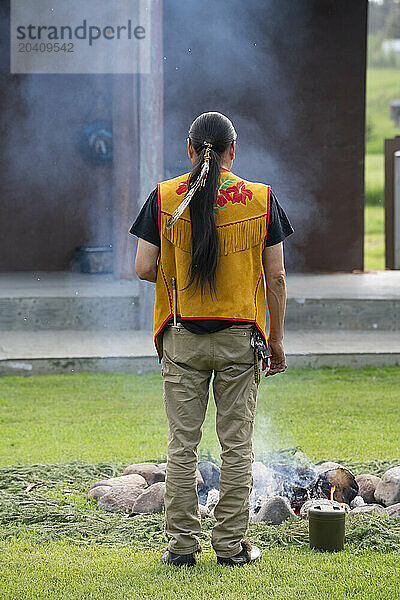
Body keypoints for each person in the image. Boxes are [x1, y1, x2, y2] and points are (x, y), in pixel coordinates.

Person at [130, 112, 294, 567]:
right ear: (232, 151)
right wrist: (276, 341)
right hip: (241, 342)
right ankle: (231, 547)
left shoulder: (164, 198)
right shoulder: (260, 199)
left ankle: (181, 548)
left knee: (181, 446)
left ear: (189, 149)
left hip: (183, 340)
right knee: (236, 446)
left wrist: (181, 273)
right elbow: (276, 278)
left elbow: (144, 268)